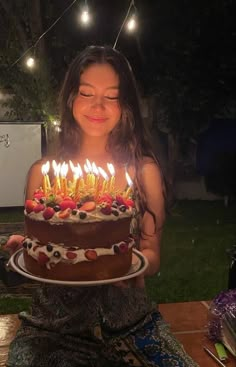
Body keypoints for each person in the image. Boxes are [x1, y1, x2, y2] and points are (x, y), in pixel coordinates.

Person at [4, 45, 198, 367]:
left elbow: (152, 254)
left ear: (126, 106)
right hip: (52, 329)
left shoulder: (143, 172)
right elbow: (45, 247)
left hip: (131, 324)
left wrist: (132, 267)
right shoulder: (45, 174)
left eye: (112, 96)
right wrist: (26, 249)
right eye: (86, 93)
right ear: (70, 99)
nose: (98, 105)